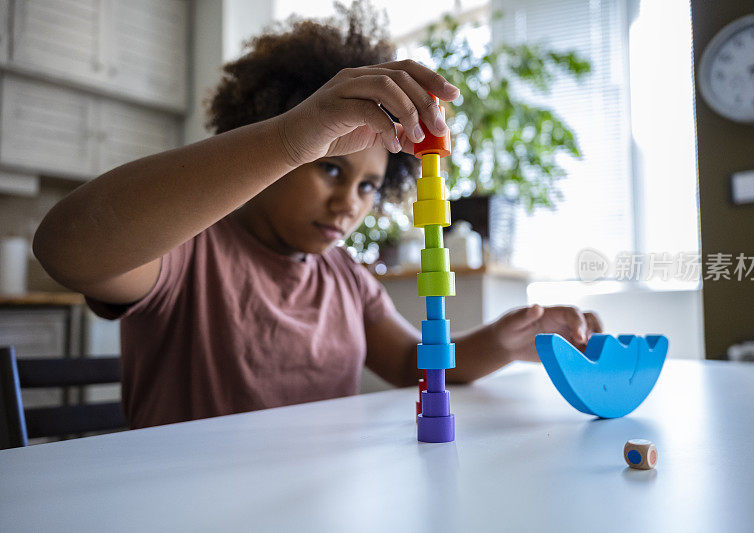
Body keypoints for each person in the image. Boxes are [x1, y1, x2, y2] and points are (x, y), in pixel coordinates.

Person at [33, 2, 601, 429]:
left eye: (370, 186)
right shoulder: (189, 252)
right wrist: (287, 139)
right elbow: (66, 248)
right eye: (330, 168)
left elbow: (412, 363)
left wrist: (503, 340)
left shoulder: (346, 279)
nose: (349, 203)